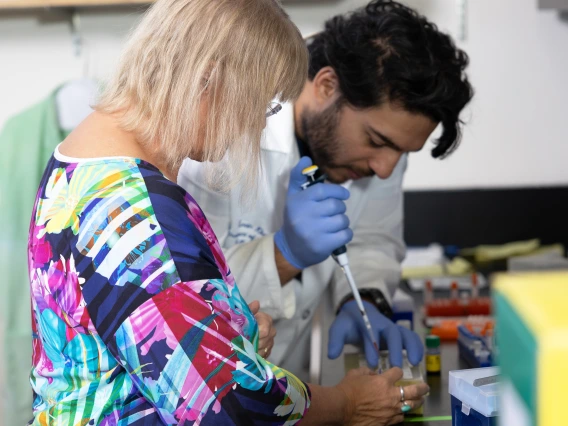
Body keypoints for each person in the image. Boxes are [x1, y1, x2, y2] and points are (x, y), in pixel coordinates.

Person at [27, 0, 429, 424]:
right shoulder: (138, 212)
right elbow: (229, 406)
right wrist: (349, 403)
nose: (257, 124)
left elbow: (137, 339)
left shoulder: (82, 161)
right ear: (209, 79)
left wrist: (228, 332)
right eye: (261, 102)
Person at [179, 0, 474, 380]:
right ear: (326, 86)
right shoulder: (225, 133)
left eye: (402, 153)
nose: (384, 170)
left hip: (289, 386)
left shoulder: (380, 153)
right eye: (377, 140)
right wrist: (285, 255)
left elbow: (371, 239)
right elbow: (187, 298)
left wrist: (363, 298)